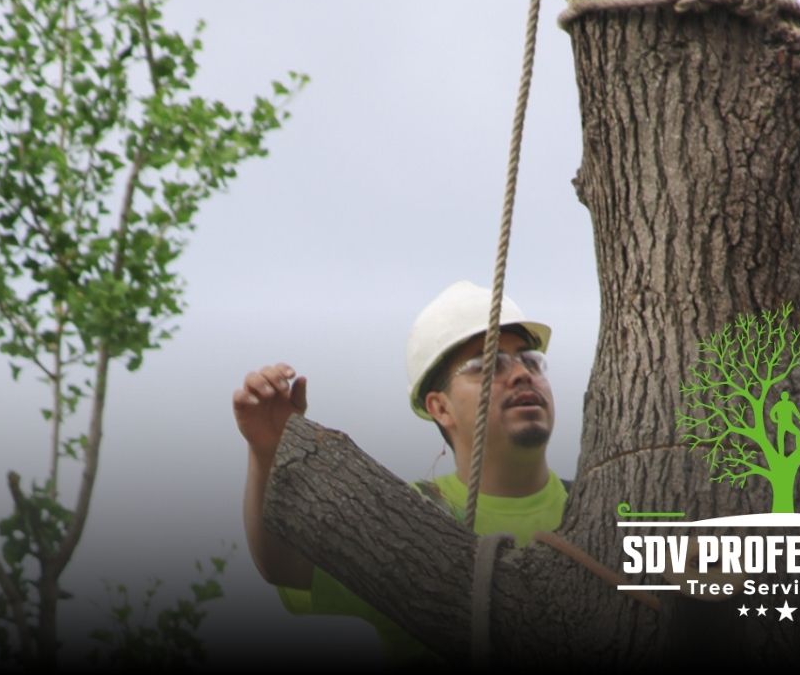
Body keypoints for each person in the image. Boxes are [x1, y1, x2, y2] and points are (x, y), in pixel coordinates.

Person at [232, 281, 570, 664]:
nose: (523, 374)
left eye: (530, 360)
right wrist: (266, 451)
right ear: (440, 408)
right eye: (489, 365)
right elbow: (284, 565)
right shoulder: (406, 513)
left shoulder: (605, 507)